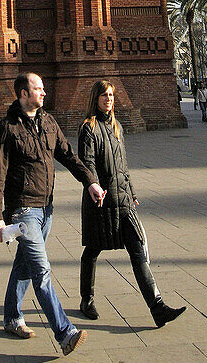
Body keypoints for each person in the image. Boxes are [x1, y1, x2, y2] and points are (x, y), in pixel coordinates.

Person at [0, 72, 104, 355]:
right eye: (38, 89)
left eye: (43, 88)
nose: (44, 92)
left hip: (46, 208)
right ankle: (65, 333)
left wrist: (89, 180)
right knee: (41, 271)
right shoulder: (7, 128)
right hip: (24, 210)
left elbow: (67, 155)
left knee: (24, 265)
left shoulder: (48, 122)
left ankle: (12, 318)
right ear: (23, 94)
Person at [77, 81, 186, 327]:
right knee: (93, 249)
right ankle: (87, 299)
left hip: (123, 200)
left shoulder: (117, 127)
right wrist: (93, 185)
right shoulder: (88, 128)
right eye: (104, 95)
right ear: (95, 98)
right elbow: (88, 163)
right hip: (101, 201)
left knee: (138, 250)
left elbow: (122, 166)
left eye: (111, 95)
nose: (109, 99)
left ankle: (157, 308)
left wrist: (132, 191)